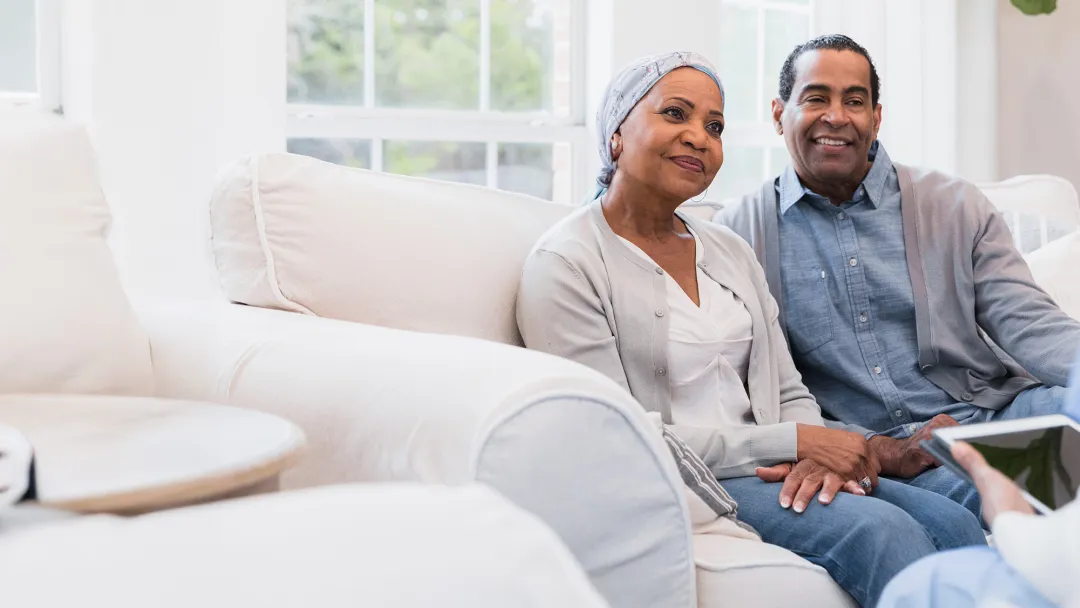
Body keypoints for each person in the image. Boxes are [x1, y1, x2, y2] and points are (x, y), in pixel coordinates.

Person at [516, 50, 985, 608]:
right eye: (676, 114)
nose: (698, 136)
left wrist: (819, 454)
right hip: (700, 483)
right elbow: (620, 436)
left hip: (777, 463)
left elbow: (788, 389)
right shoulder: (566, 264)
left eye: (713, 126)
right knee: (885, 534)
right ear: (616, 133)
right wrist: (795, 442)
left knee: (953, 520)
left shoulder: (729, 249)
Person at [716, 34, 1080, 518]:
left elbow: (1030, 325)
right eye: (816, 98)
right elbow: (760, 393)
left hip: (992, 416)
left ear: (876, 116)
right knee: (1027, 491)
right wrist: (873, 449)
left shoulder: (954, 205)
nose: (837, 116)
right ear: (780, 113)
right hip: (874, 458)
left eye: (855, 100)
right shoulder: (738, 236)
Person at [878, 351, 1080, 607]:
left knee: (923, 588)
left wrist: (1010, 519)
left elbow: (1059, 572)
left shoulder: (928, 586)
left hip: (1046, 558)